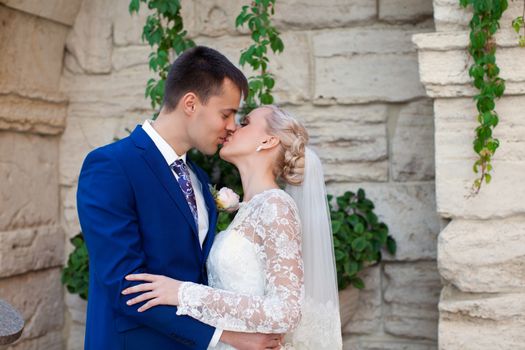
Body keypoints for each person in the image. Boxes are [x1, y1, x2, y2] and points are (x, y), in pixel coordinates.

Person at [77, 46, 283, 350]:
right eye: (226, 113)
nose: (231, 127)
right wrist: (224, 336)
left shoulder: (198, 178)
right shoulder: (111, 166)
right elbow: (125, 287)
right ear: (190, 103)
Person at [122, 105, 343, 349]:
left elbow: (287, 311)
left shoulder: (276, 205)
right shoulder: (249, 208)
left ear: (269, 140)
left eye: (245, 123)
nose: (232, 128)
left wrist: (183, 293)